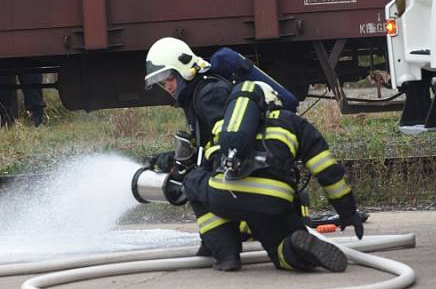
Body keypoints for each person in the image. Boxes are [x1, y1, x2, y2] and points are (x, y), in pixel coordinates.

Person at [144, 37, 363, 272]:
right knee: (280, 251)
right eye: (160, 81)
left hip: (232, 188)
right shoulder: (291, 123)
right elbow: (326, 168)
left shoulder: (209, 92)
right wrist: (347, 212)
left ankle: (224, 253)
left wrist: (185, 170)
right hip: (279, 197)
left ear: (183, 68)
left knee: (192, 181)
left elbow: (219, 148)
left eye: (168, 78)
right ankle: (297, 246)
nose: (166, 86)